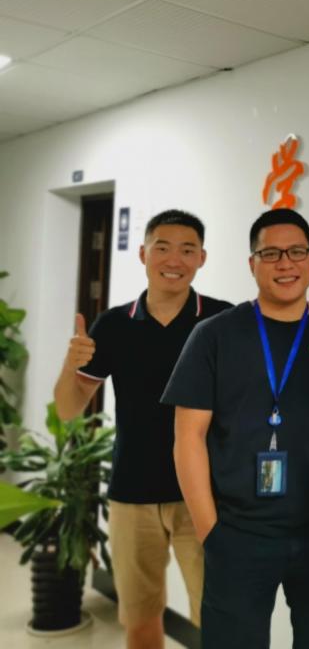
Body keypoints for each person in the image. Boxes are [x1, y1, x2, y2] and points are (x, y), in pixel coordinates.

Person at [162, 209, 309, 649]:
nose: (285, 263)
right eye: (270, 253)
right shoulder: (214, 335)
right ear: (251, 263)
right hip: (238, 532)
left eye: (297, 252)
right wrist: (210, 531)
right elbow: (188, 437)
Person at [53, 209, 231, 649]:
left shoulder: (222, 322)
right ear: (143, 253)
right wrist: (71, 364)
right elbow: (68, 409)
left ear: (202, 258)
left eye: (187, 250)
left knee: (219, 620)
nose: (174, 259)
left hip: (203, 495)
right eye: (162, 247)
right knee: (140, 619)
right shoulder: (113, 325)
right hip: (132, 495)